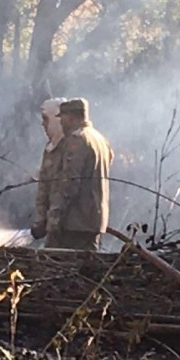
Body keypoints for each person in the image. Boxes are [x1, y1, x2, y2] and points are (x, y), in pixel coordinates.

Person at [45, 98, 113, 250]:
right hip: (94, 220)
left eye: (62, 118)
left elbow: (70, 182)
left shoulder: (77, 140)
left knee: (64, 267)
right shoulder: (100, 139)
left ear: (71, 117)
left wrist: (55, 216)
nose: (61, 123)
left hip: (75, 222)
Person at [30, 98, 67, 243]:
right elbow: (44, 189)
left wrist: (52, 222)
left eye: (46, 119)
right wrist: (41, 220)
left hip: (68, 226)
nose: (42, 124)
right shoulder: (51, 148)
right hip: (55, 226)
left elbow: (66, 189)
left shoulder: (71, 147)